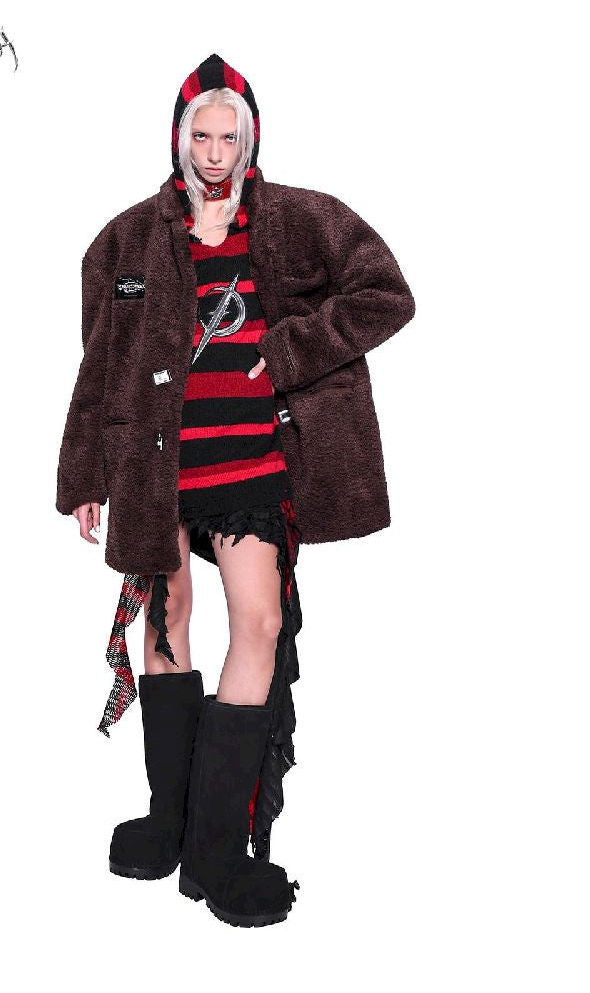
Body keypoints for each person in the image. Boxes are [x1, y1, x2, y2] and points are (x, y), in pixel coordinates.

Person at [56, 53, 415, 928]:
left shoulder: (298, 219)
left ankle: (217, 849)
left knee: (258, 623)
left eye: (229, 137)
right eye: (202, 137)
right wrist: (85, 475)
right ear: (179, 138)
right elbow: (100, 362)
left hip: (253, 462)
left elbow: (385, 293)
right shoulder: (125, 241)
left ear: (249, 138)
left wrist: (288, 351)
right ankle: (169, 819)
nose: (215, 153)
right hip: (158, 466)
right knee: (167, 619)